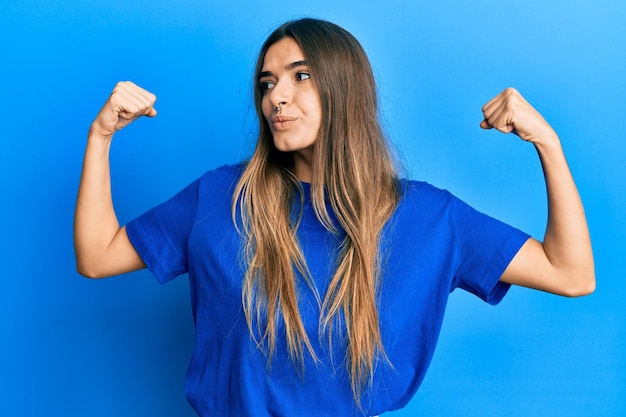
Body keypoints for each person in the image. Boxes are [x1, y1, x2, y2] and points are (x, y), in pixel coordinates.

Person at [74, 18, 595, 417]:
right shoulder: (219, 198)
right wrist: (100, 139)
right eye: (267, 82)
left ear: (346, 87)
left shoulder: (430, 217)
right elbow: (97, 256)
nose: (276, 96)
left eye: (301, 76)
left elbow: (570, 273)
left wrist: (547, 142)